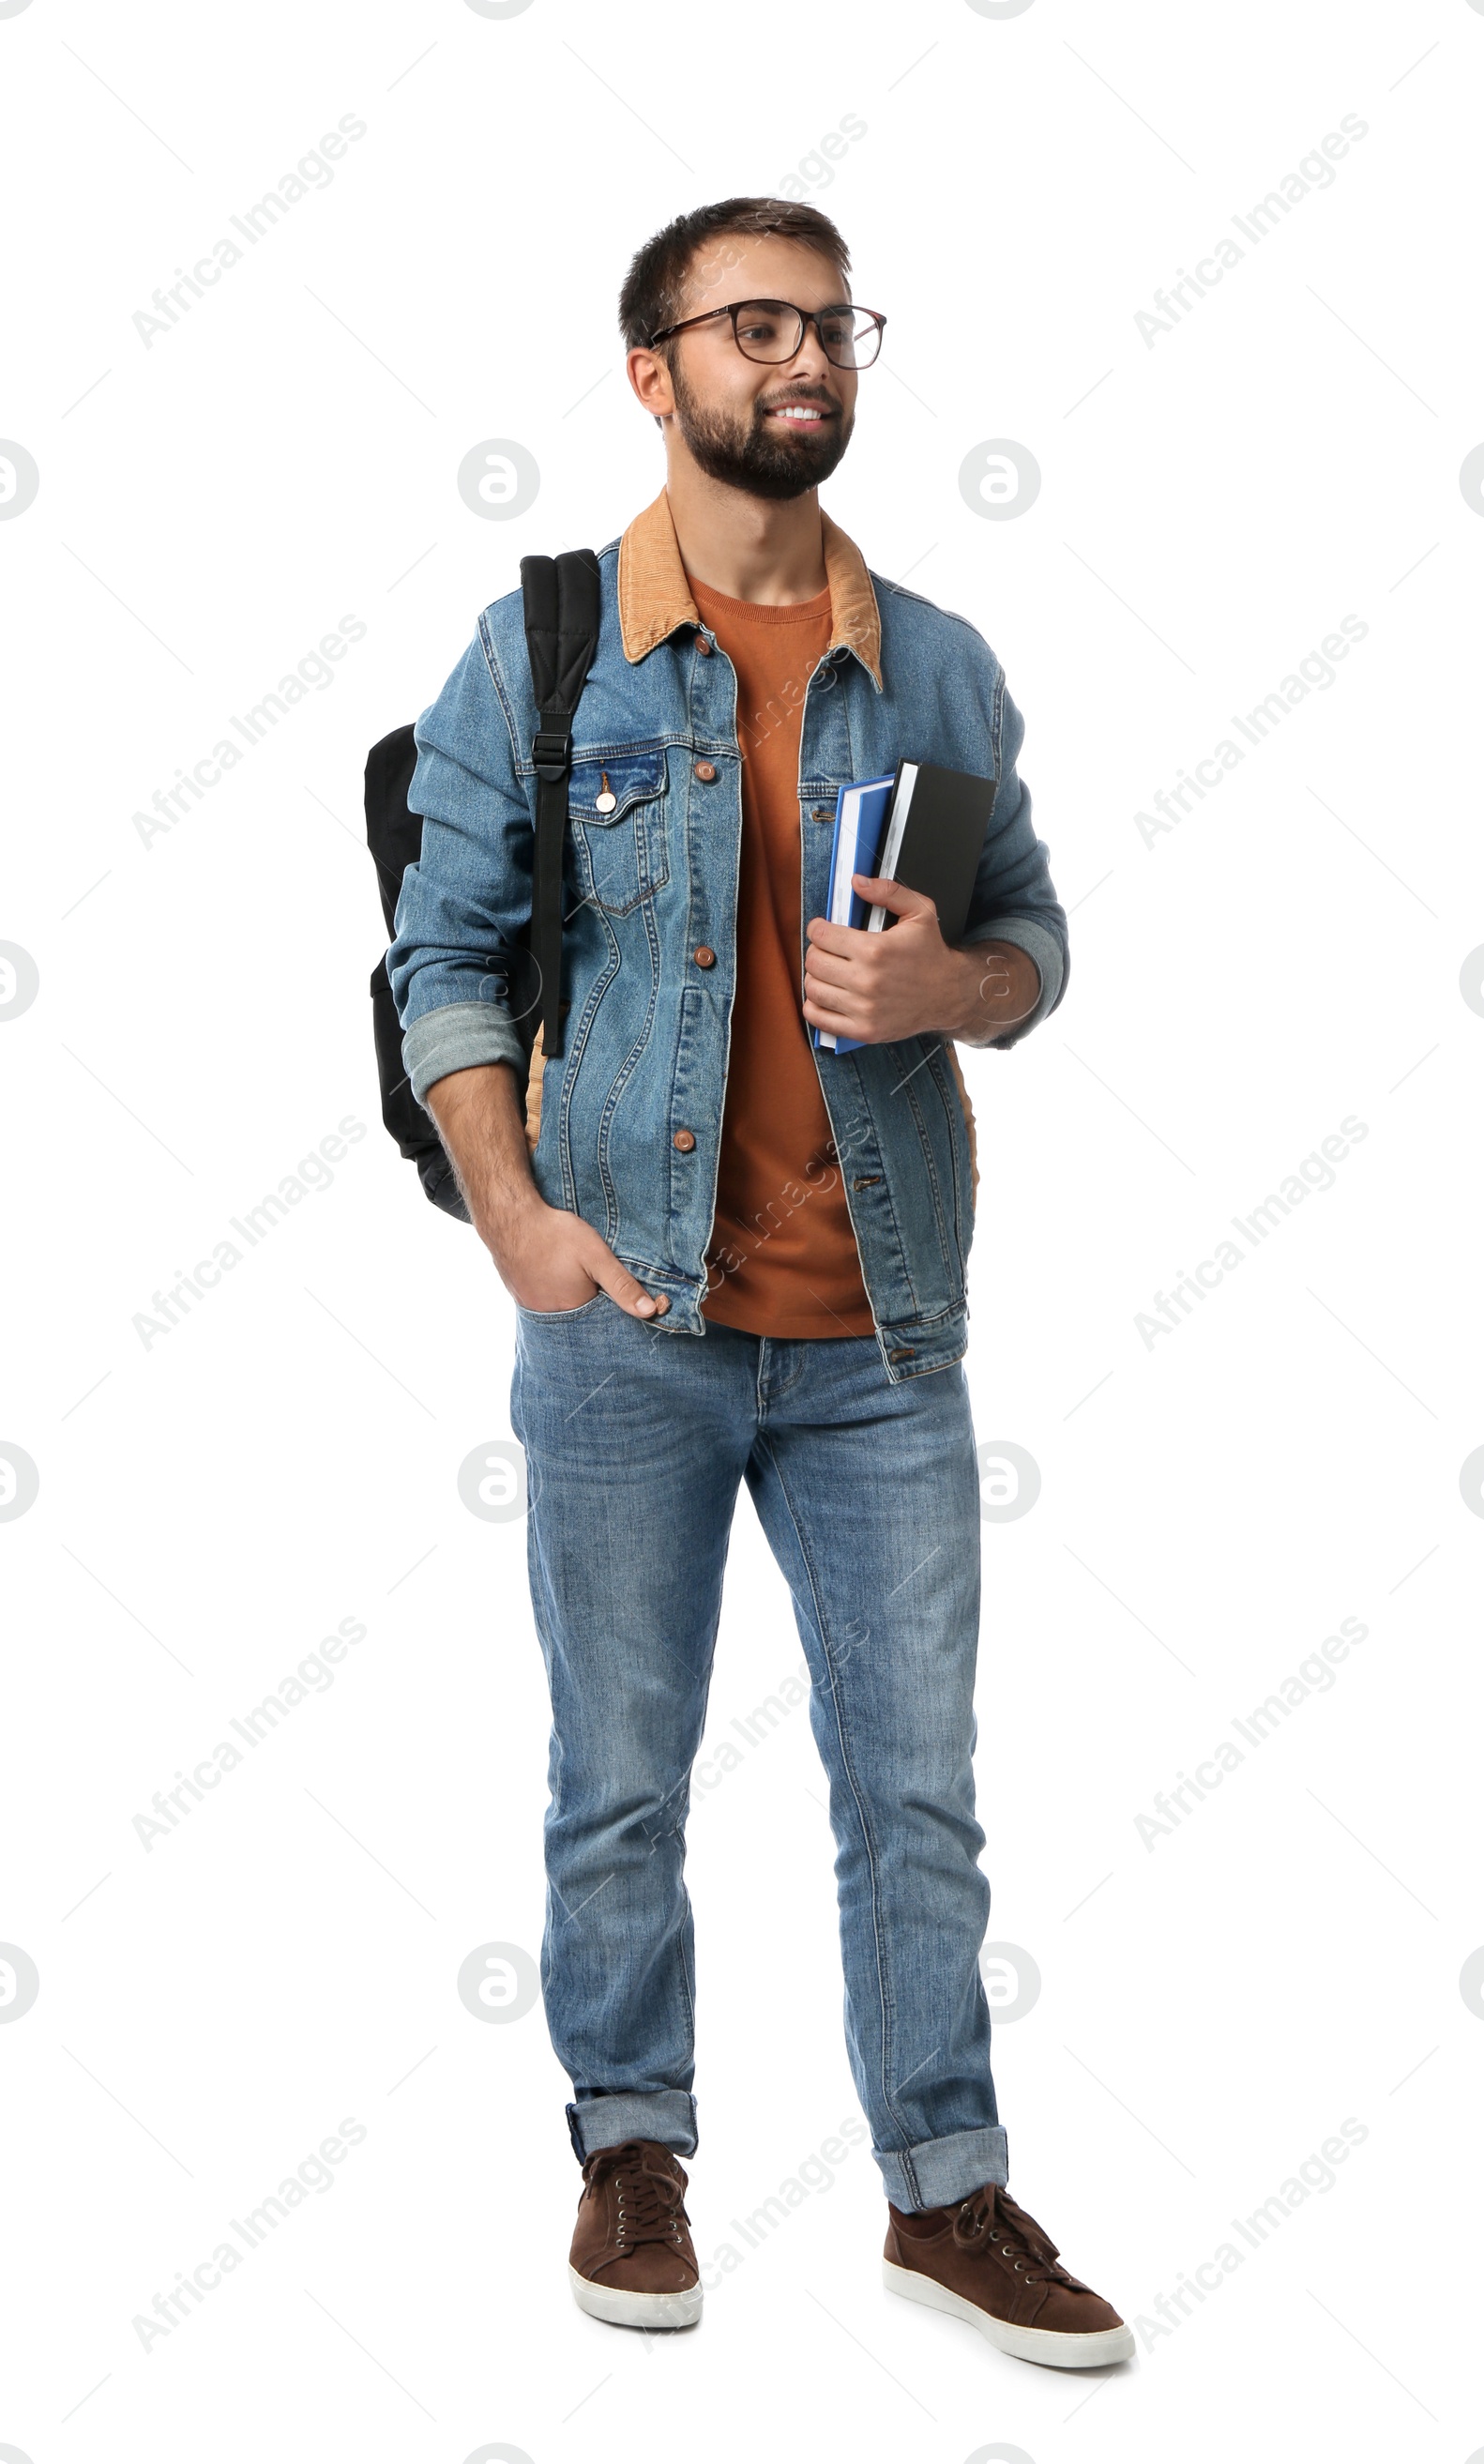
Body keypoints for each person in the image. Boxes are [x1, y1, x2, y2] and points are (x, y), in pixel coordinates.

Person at [387, 196, 1131, 2369]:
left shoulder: (945, 659)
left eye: (830, 322)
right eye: (755, 323)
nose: (803, 355)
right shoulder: (546, 649)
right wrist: (515, 1217)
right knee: (617, 1762)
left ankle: (943, 2185)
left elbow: (1035, 953)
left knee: (915, 1777)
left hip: (879, 1337)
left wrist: (953, 979)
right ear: (655, 370)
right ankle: (631, 2142)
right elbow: (439, 955)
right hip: (619, 1318)